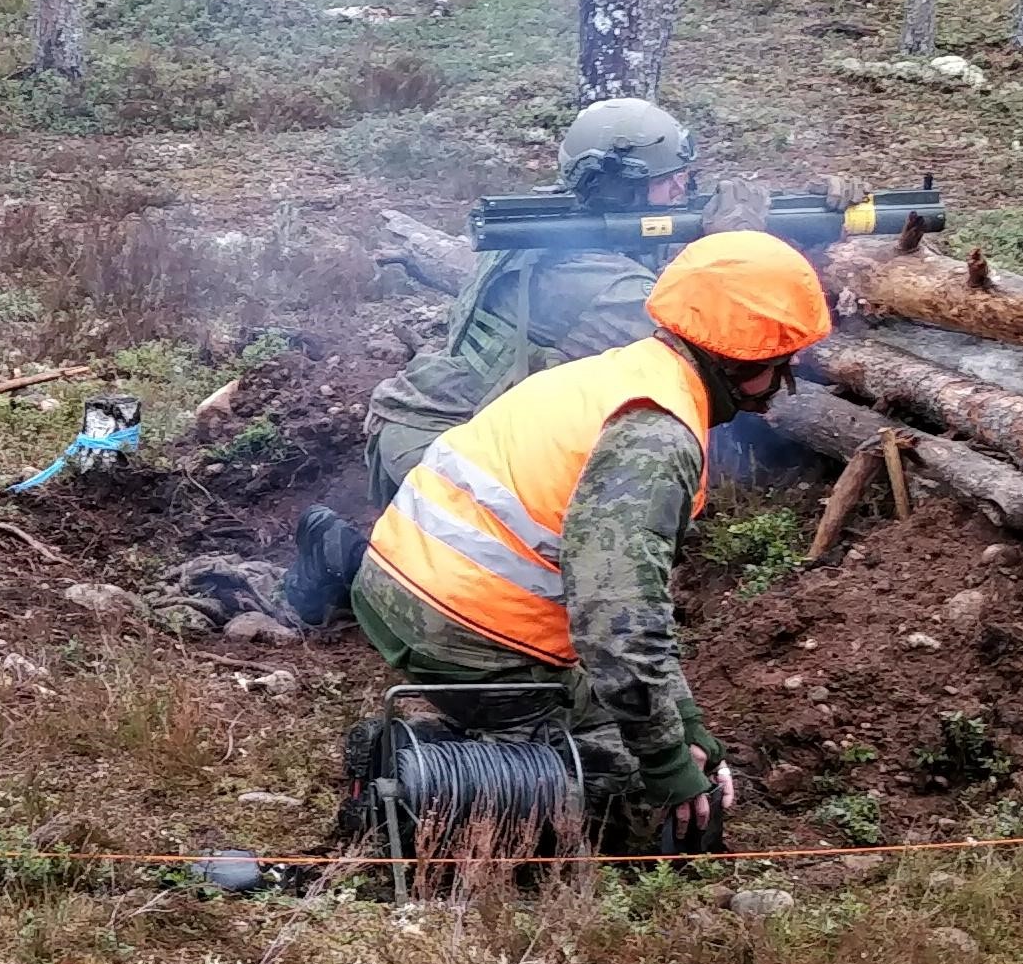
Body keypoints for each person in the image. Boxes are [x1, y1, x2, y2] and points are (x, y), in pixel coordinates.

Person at [343, 229, 831, 864]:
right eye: (785, 363)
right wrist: (665, 766)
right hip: (465, 631)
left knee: (623, 723)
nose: (785, 382)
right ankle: (422, 778)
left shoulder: (623, 373)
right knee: (627, 801)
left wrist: (683, 724)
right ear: (747, 364)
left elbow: (630, 615)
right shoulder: (656, 438)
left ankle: (459, 734)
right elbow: (617, 624)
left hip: (408, 591)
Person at [279, 96, 698, 624]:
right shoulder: (603, 284)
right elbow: (708, 339)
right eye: (670, 182)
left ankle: (396, 558)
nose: (683, 193)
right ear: (622, 187)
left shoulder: (537, 225)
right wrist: (733, 242)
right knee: (532, 606)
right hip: (452, 465)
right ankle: (359, 568)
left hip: (421, 429)